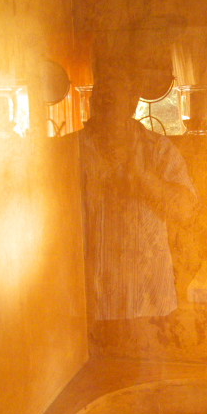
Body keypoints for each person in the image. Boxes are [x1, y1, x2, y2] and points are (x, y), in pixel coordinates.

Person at [79, 43, 197, 323]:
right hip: (88, 304)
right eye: (100, 93)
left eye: (114, 94)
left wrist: (143, 179)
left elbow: (186, 211)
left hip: (149, 302)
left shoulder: (158, 149)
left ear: (132, 101)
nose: (104, 101)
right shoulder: (71, 150)